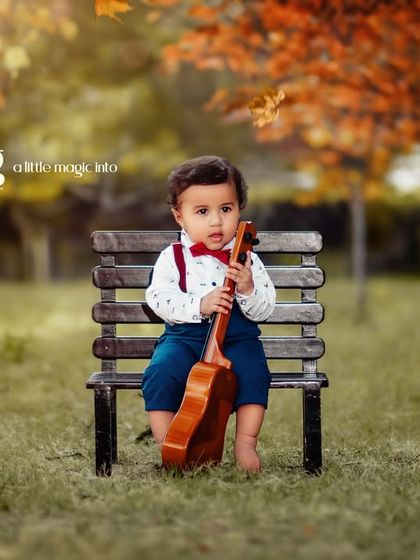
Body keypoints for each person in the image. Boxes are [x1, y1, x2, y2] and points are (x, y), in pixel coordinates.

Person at [143, 155, 276, 471]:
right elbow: (157, 298)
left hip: (237, 339)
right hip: (185, 337)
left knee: (255, 373)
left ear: (239, 210)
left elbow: (266, 307)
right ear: (180, 217)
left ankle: (245, 444)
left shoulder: (246, 259)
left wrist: (247, 289)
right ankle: (170, 447)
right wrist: (198, 305)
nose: (216, 221)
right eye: (202, 211)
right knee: (161, 373)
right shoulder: (172, 256)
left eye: (225, 210)